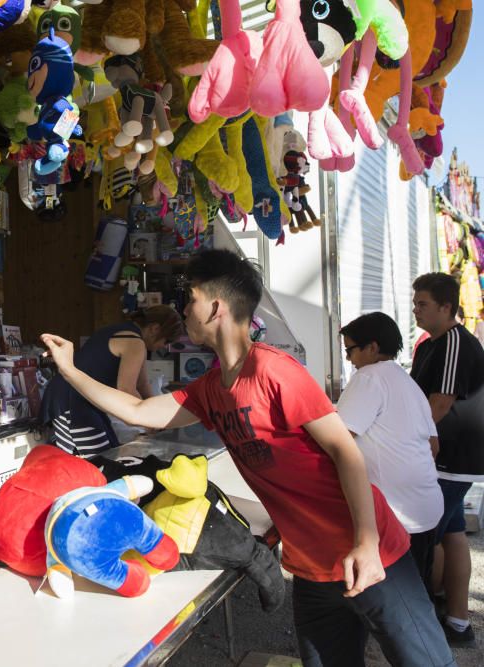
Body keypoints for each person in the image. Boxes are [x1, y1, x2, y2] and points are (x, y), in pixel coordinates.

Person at [43, 249, 453, 667]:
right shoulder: (210, 387)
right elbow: (137, 411)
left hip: (370, 553)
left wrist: (366, 543)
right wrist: (72, 371)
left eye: (191, 299)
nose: (185, 310)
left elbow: (344, 450)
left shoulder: (275, 370)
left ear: (215, 306)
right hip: (311, 569)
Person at [336, 312, 443, 593]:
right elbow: (434, 445)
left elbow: (338, 439)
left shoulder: (369, 377)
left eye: (350, 350)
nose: (348, 359)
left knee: (395, 606)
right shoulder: (407, 383)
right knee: (419, 593)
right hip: (425, 508)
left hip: (395, 516)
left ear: (371, 347)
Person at [410, 272, 484, 648]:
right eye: (415, 303)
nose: (415, 310)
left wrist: (407, 436)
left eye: (422, 304)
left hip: (452, 458)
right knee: (452, 535)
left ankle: (421, 628)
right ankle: (457, 621)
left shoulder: (454, 341)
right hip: (443, 458)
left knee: (425, 538)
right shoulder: (428, 345)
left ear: (446, 307)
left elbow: (440, 402)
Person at [40, 305, 182, 458]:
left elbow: (142, 385)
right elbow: (126, 389)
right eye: (166, 340)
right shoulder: (135, 342)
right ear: (154, 328)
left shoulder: (122, 331)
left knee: (110, 449)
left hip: (78, 397)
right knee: (98, 460)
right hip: (71, 400)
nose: (164, 346)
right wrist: (149, 422)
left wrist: (158, 416)